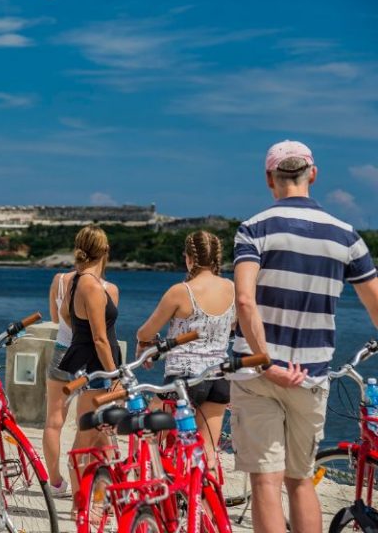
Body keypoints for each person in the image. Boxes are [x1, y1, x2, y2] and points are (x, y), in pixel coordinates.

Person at [233, 140, 378, 533]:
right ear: (313, 174)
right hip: (311, 376)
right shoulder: (346, 236)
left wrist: (268, 362)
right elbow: (376, 306)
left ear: (269, 179)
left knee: (265, 481)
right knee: (301, 481)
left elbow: (245, 302)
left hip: (256, 374)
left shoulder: (254, 229)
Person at [136, 230, 235, 471]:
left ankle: (164, 489)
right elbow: (232, 327)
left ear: (189, 258)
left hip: (183, 379)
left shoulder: (181, 291)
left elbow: (145, 333)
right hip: (219, 377)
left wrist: (145, 345)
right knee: (208, 450)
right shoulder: (231, 288)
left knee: (150, 429)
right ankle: (207, 503)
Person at [55, 225, 121, 508]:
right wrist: (115, 375)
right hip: (97, 367)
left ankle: (100, 501)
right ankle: (82, 506)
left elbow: (65, 315)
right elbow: (99, 338)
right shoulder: (92, 286)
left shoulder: (76, 281)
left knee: (104, 437)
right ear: (105, 251)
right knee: (88, 438)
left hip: (87, 362)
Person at [41, 270, 76, 498]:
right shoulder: (105, 286)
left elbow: (55, 319)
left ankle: (55, 483)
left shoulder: (60, 280)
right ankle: (84, 483)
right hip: (90, 355)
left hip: (62, 350)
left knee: (53, 421)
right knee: (89, 425)